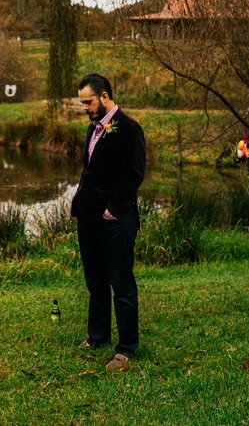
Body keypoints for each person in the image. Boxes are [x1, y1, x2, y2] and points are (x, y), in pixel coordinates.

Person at [71, 73, 146, 370]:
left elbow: (135, 174)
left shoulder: (129, 128)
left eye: (88, 102)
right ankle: (97, 335)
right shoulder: (93, 128)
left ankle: (126, 348)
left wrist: (112, 210)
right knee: (95, 281)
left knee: (122, 283)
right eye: (82, 103)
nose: (85, 107)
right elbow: (90, 171)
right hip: (88, 219)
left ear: (104, 96)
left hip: (115, 220)